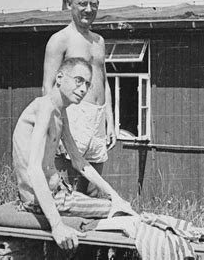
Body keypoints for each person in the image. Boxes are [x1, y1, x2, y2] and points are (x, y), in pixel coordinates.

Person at [13, 57, 135, 250]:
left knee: (118, 205)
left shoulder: (60, 112)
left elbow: (79, 161)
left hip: (60, 194)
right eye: (79, 81)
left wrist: (114, 194)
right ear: (60, 77)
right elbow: (34, 170)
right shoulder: (44, 107)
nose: (83, 89)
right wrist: (57, 225)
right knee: (120, 213)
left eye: (87, 84)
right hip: (41, 200)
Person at [42, 0, 116, 196]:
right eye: (83, 3)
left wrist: (110, 121)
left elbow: (104, 81)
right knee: (68, 192)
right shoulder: (59, 40)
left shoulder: (99, 41)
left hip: (97, 121)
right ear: (69, 3)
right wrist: (57, 128)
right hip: (71, 117)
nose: (89, 9)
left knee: (94, 190)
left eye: (94, 4)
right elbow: (48, 87)